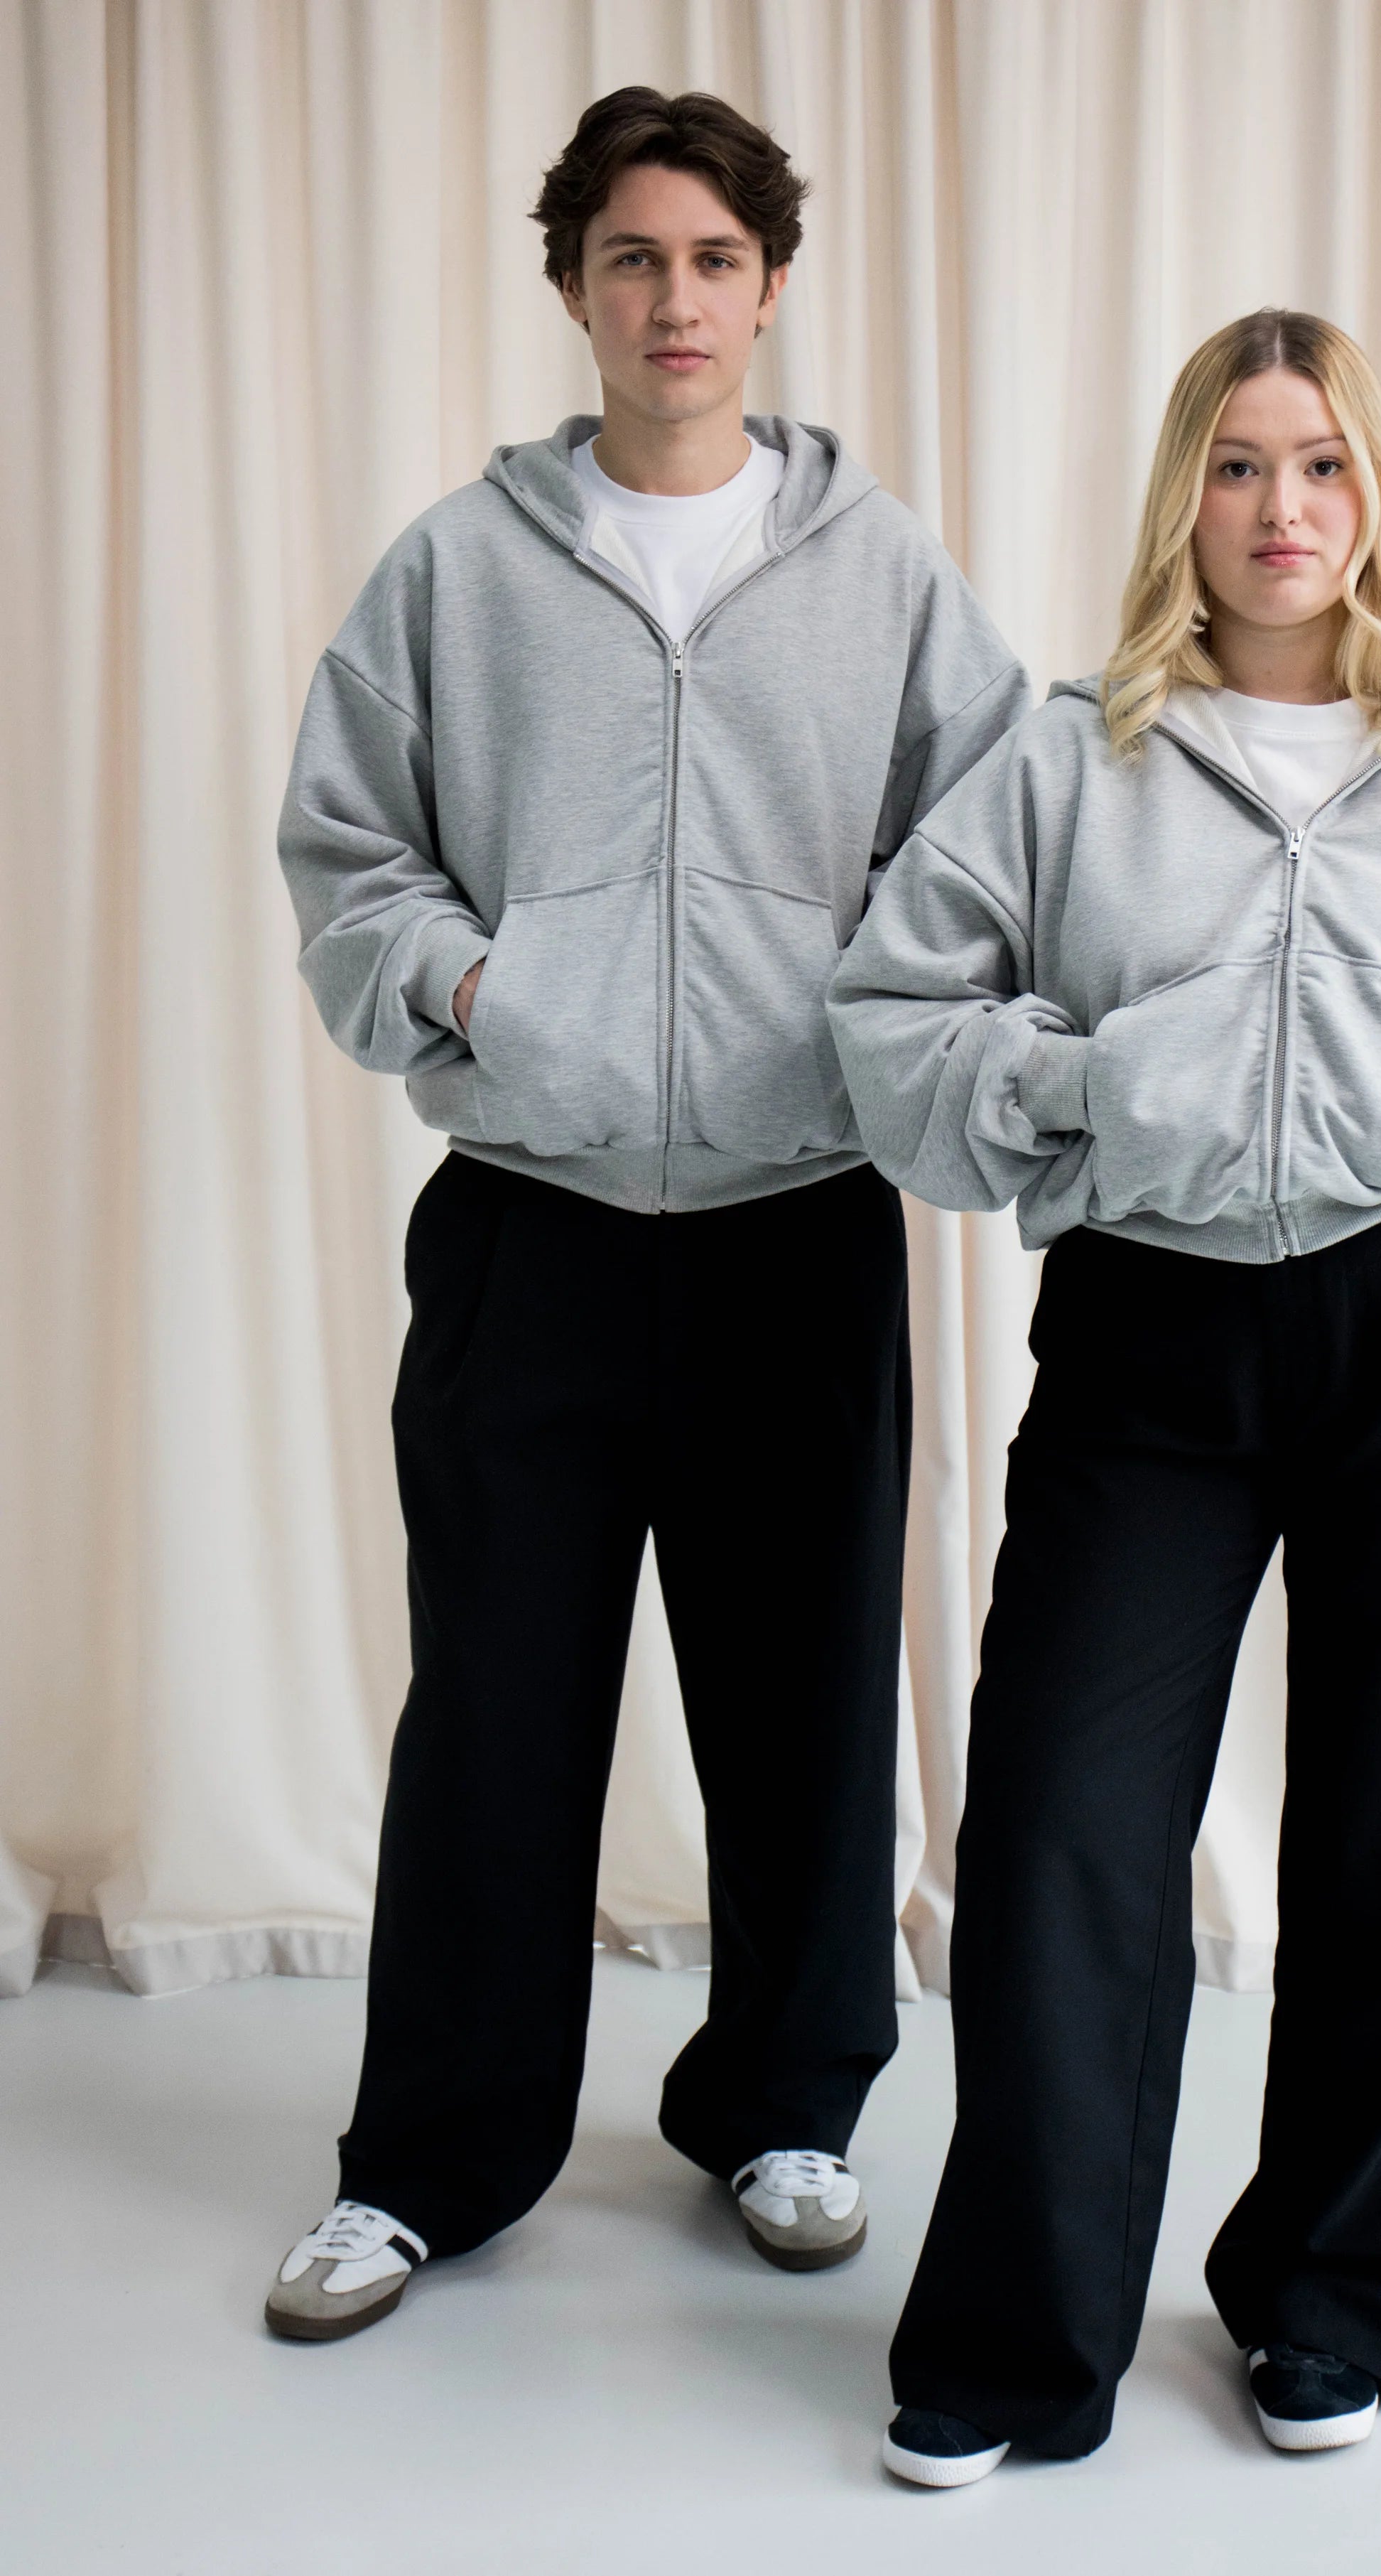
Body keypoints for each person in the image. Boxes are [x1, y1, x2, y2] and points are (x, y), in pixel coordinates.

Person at [828, 308, 1381, 2485]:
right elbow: (896, 1020)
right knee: (1063, 1816)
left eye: (1319, 464)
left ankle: (1345, 2294)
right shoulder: (1076, 758)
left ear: (1371, 492)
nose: (1281, 508)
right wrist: (1094, 1091)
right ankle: (1019, 2337)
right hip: (1157, 1327)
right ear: (1183, 502)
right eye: (1236, 465)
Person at [266, 86, 1027, 2342]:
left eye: (712, 258)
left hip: (802, 1220)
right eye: (632, 257)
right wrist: (480, 989)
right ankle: (426, 2160)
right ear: (574, 288)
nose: (674, 298)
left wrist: (866, 1021)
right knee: (495, 1711)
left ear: (769, 288)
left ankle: (787, 2105)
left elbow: (991, 851)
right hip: (535, 1221)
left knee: (806, 1698)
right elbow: (348, 851)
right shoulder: (459, 567)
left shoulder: (882, 571)